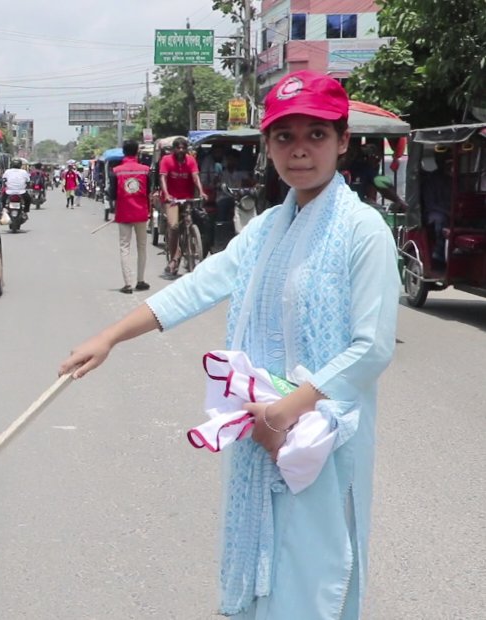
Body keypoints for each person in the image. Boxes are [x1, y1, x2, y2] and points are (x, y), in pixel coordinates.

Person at [59, 70, 399, 619]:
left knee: (312, 579)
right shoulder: (267, 227)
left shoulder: (363, 230)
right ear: (267, 146)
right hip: (262, 429)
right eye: (284, 137)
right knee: (261, 572)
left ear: (343, 142)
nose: (300, 151)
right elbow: (200, 284)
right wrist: (109, 337)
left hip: (318, 439)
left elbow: (372, 348)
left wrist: (285, 413)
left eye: (316, 134)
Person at [107, 139, 151, 294]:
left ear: (123, 152)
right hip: (141, 213)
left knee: (124, 248)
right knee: (142, 247)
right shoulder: (146, 170)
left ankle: (127, 284)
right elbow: (149, 192)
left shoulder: (116, 171)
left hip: (124, 213)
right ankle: (141, 281)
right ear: (137, 151)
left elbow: (112, 194)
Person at [159, 136, 207, 277]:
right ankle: (174, 257)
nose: (181, 150)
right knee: (173, 226)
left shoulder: (190, 160)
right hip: (172, 200)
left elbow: (195, 177)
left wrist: (201, 191)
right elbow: (163, 178)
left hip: (187, 198)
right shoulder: (166, 160)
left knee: (190, 222)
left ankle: (191, 246)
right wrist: (166, 194)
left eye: (183, 148)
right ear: (174, 149)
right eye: (178, 148)